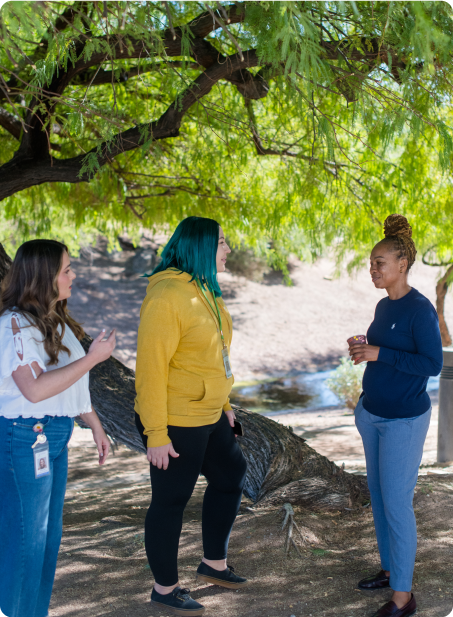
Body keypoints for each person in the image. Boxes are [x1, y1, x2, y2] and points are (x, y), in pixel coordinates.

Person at [135, 216, 248, 616]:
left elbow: (214, 358)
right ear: (200, 246)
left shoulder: (204, 290)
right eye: (221, 241)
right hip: (175, 418)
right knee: (171, 500)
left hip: (209, 411)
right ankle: (165, 588)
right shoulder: (167, 295)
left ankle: (213, 564)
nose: (228, 249)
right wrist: (156, 433)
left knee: (231, 476)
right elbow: (151, 369)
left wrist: (226, 408)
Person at [0, 239, 116, 617]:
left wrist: (95, 425)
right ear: (44, 276)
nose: (73, 275)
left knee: (47, 542)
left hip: (55, 436)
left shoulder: (55, 320)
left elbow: (66, 387)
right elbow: (34, 390)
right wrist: (93, 359)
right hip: (24, 438)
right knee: (24, 543)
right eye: (66, 269)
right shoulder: (14, 325)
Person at [349, 214, 443, 617]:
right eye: (371, 263)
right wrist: (364, 348)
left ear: (401, 265)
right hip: (372, 414)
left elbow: (433, 364)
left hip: (404, 421)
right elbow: (385, 351)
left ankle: (404, 598)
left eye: (379, 263)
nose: (373, 269)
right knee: (380, 497)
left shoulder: (420, 310)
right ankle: (390, 570)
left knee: (398, 504)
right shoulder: (383, 304)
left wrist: (380, 353)